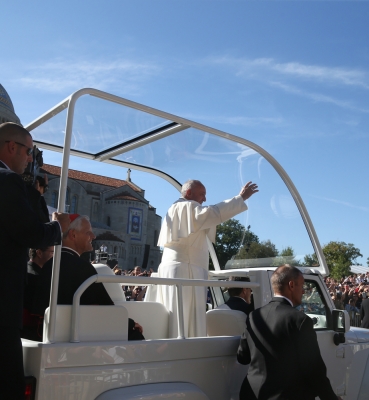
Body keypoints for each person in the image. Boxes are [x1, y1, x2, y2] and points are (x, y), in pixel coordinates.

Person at [0, 122, 70, 400]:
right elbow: (33, 232)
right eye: (29, 151)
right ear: (11, 146)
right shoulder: (7, 180)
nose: (31, 158)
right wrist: (59, 228)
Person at [155, 179, 258, 338]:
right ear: (189, 193)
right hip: (187, 270)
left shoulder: (173, 209)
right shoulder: (186, 207)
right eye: (202, 194)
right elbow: (214, 213)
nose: (204, 199)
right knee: (185, 321)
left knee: (173, 316)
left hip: (175, 269)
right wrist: (240, 198)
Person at [237, 265, 340, 400]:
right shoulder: (300, 320)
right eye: (302, 286)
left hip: (251, 394)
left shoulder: (253, 316)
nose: (303, 292)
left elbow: (243, 357)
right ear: (291, 285)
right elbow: (314, 370)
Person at [36, 214, 144, 341]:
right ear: (73, 235)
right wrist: (130, 324)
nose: (93, 236)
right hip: (76, 336)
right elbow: (106, 310)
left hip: (47, 333)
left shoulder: (49, 264)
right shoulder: (82, 267)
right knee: (135, 335)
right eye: (88, 232)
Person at [22, 246, 54, 340]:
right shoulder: (36, 277)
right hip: (33, 330)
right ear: (39, 253)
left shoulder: (25, 270)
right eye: (52, 252)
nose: (54, 256)